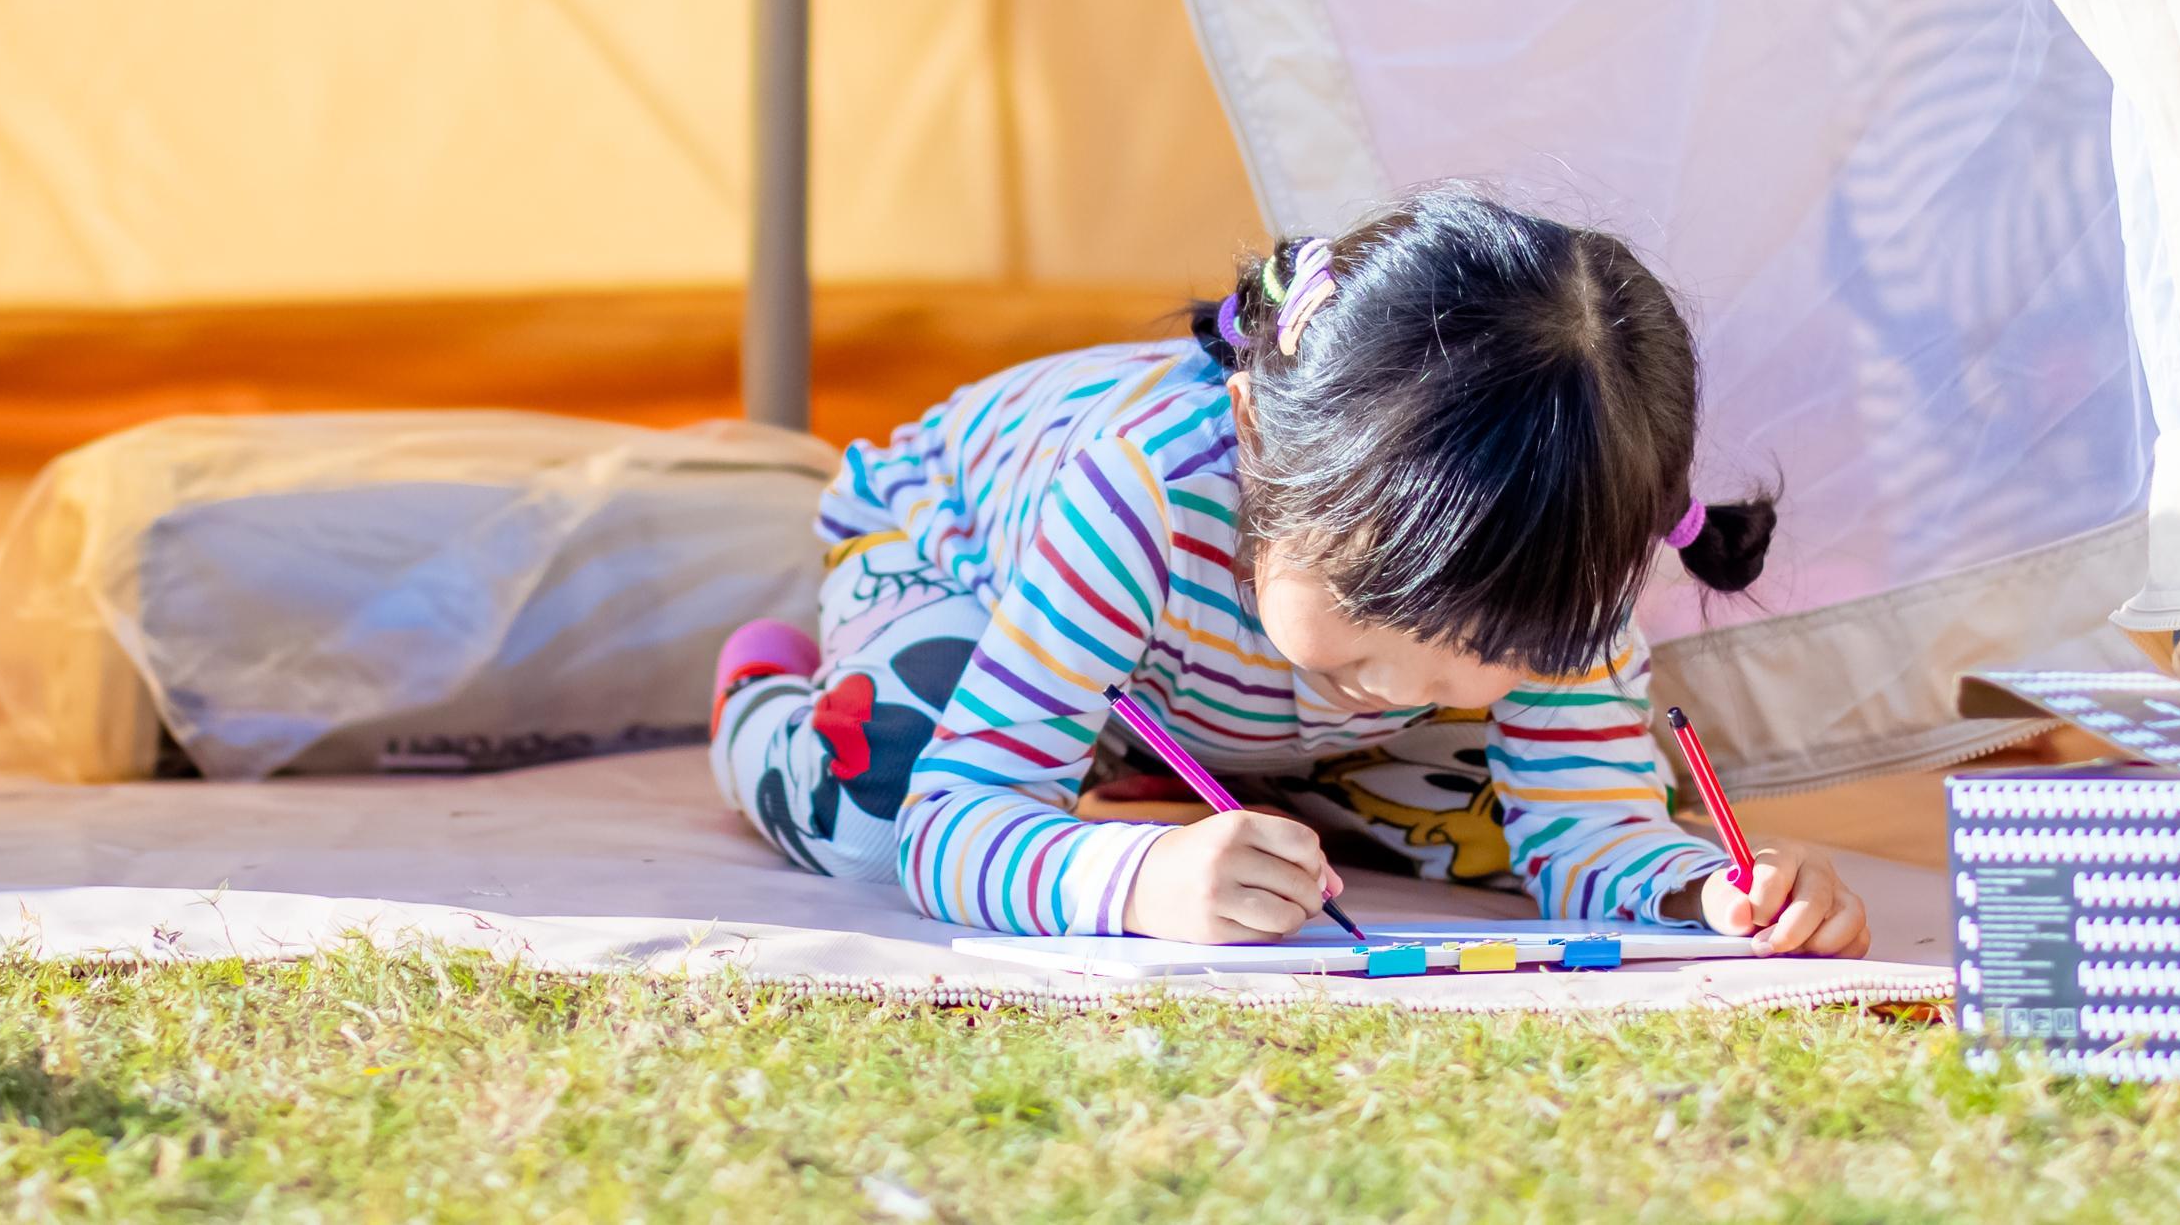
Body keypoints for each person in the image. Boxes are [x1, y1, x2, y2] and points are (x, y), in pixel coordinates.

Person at [706, 188, 1870, 952]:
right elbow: (952, 823)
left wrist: (1710, 893)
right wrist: (1139, 882)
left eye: (1507, 654)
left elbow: (1591, 830)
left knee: (1489, 839)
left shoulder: (1567, 550)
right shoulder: (1141, 494)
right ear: (1258, 435)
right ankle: (762, 692)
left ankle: (1195, 776)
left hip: (1195, 687)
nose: (1429, 690)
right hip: (959, 553)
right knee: (874, 812)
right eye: (1377, 614)